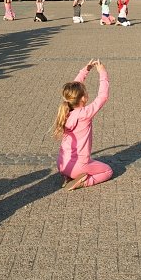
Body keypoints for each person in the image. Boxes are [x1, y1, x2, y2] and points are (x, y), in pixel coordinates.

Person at [54, 59, 112, 190]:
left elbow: (73, 90)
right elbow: (103, 96)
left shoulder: (66, 111)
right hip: (79, 166)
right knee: (108, 171)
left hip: (62, 164)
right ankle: (84, 182)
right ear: (83, 98)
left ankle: (68, 176)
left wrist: (85, 70)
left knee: (80, 166)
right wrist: (103, 72)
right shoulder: (85, 114)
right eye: (85, 93)